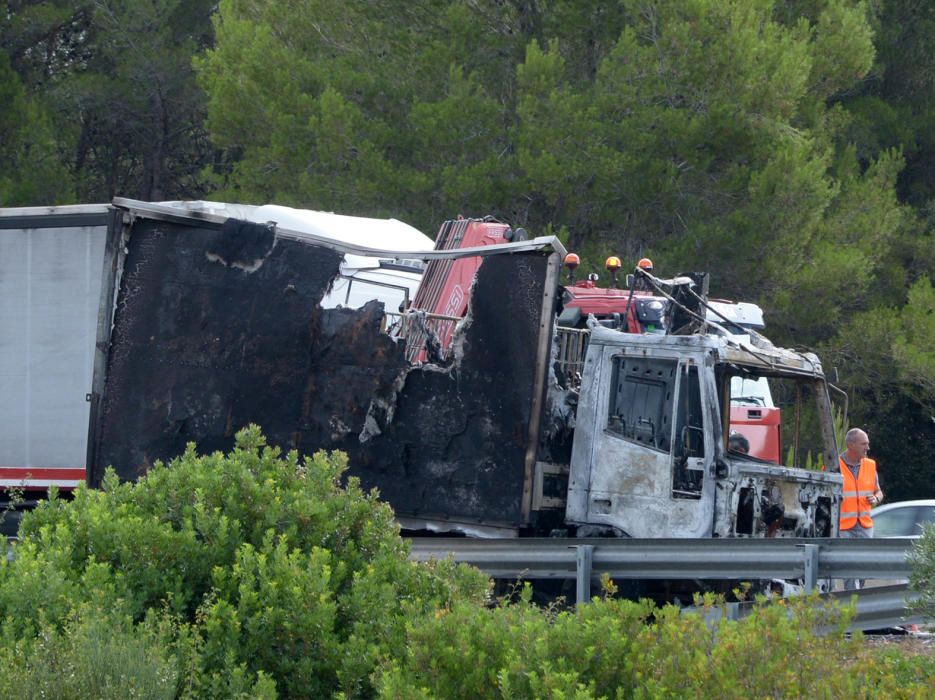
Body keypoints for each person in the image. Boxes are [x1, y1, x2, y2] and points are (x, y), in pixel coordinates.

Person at [838, 428, 883, 590]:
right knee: (849, 566)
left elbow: (879, 492)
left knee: (864, 566)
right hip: (843, 527)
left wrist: (876, 498)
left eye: (868, 444)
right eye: (864, 444)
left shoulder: (870, 465)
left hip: (865, 525)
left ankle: (858, 597)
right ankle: (853, 601)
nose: (867, 448)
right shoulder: (834, 466)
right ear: (851, 445)